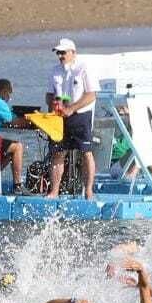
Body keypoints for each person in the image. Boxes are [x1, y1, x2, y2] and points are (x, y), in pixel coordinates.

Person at [45, 38, 98, 199]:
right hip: (60, 116)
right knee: (58, 153)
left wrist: (72, 108)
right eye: (58, 53)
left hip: (81, 115)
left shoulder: (83, 68)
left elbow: (91, 95)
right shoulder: (55, 70)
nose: (60, 55)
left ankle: (88, 190)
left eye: (63, 52)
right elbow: (49, 94)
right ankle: (54, 191)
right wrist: (54, 103)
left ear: (73, 53)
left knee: (86, 153)